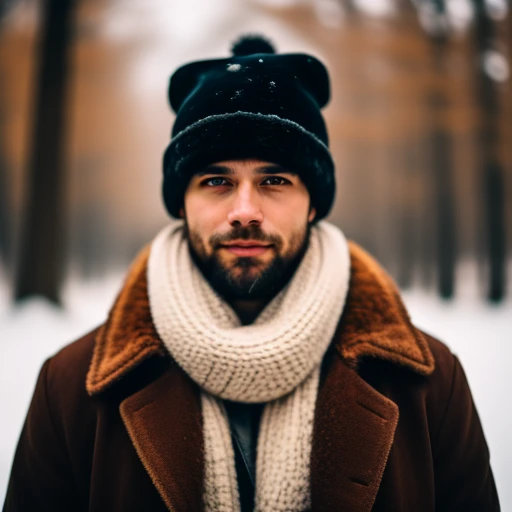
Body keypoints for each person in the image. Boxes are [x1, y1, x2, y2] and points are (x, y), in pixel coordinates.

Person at [4, 35, 499, 512]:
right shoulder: (72, 388)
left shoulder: (429, 383)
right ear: (182, 202)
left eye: (275, 180)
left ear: (313, 204)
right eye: (216, 180)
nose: (245, 211)